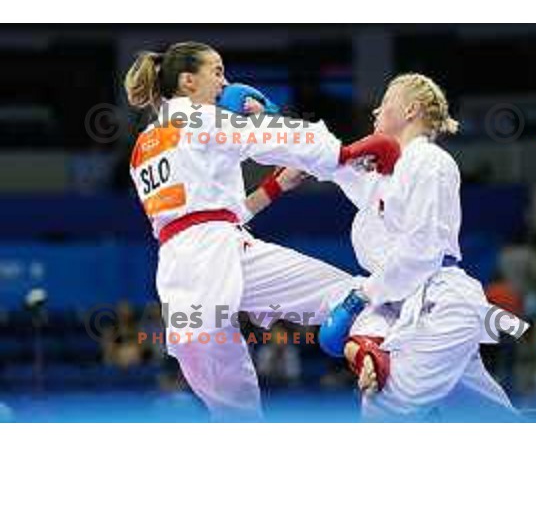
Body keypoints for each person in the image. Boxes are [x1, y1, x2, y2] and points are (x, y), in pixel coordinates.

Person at [124, 41, 400, 420]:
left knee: (238, 413)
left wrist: (274, 187)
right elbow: (271, 140)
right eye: (217, 72)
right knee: (350, 296)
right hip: (212, 254)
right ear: (188, 81)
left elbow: (204, 213)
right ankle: (393, 371)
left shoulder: (144, 145)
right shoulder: (195, 118)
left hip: (190, 266)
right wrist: (342, 155)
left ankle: (383, 365)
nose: (226, 83)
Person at [317, 73, 528, 421]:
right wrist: (279, 130)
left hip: (441, 304)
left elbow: (421, 251)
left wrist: (362, 295)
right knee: (489, 419)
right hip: (423, 306)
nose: (374, 111)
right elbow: (340, 169)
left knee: (384, 406)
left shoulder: (428, 161)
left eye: (384, 103)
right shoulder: (392, 174)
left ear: (410, 110)